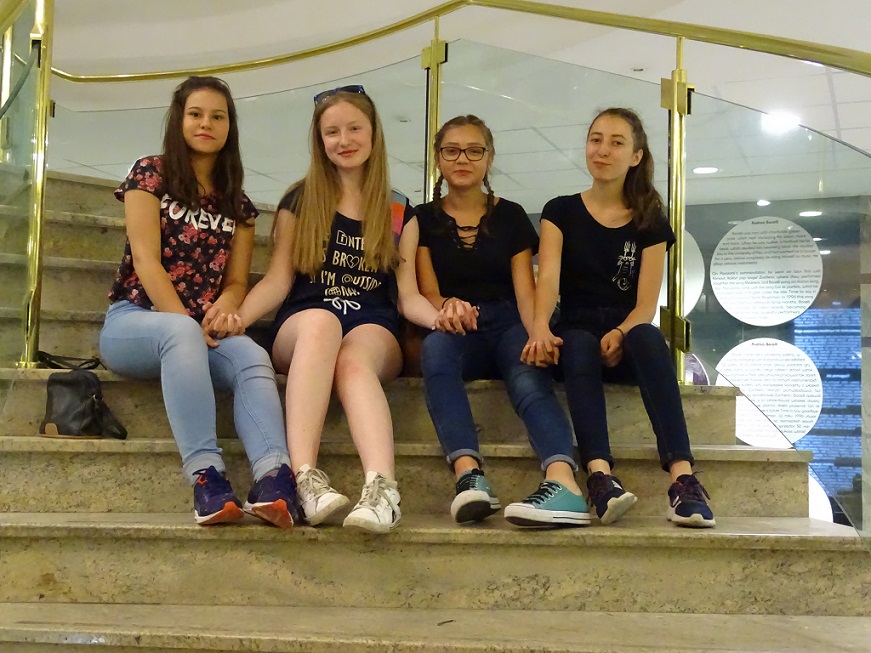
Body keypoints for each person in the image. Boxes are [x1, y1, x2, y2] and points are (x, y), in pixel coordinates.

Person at [99, 76, 297, 528]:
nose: (206, 123)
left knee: (251, 355)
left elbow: (236, 282)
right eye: (196, 114)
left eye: (217, 116)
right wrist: (188, 323)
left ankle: (274, 477)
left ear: (230, 127)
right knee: (180, 331)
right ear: (179, 120)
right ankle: (207, 477)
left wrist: (225, 307)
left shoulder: (238, 205)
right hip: (135, 320)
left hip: (198, 333)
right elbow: (146, 260)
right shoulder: (149, 174)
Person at [231, 85, 421, 534]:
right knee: (323, 323)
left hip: (371, 327)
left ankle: (382, 490)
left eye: (354, 128)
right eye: (332, 132)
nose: (344, 140)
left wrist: (447, 316)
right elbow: (277, 281)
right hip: (304, 326)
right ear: (319, 140)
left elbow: (408, 298)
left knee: (352, 361)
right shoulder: (300, 200)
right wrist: (238, 318)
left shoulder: (398, 210)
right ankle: (305, 480)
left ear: (373, 133)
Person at [523, 107, 716, 528]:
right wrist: (539, 328)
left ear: (635, 156)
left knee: (648, 336)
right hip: (576, 330)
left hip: (627, 332)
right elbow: (548, 279)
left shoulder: (650, 219)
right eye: (596, 140)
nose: (603, 150)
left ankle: (683, 480)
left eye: (616, 142)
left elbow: (646, 304)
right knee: (577, 342)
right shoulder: (560, 211)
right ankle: (600, 477)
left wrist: (620, 331)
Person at [413, 115, 590, 527]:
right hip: (457, 326)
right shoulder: (422, 218)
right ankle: (469, 476)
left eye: (474, 151)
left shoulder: (510, 215)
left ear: (489, 158)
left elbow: (525, 290)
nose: (462, 159)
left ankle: (563, 482)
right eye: (451, 150)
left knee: (528, 373)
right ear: (438, 158)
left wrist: (538, 332)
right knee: (435, 350)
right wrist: (447, 306)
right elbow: (429, 291)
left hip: (508, 319)